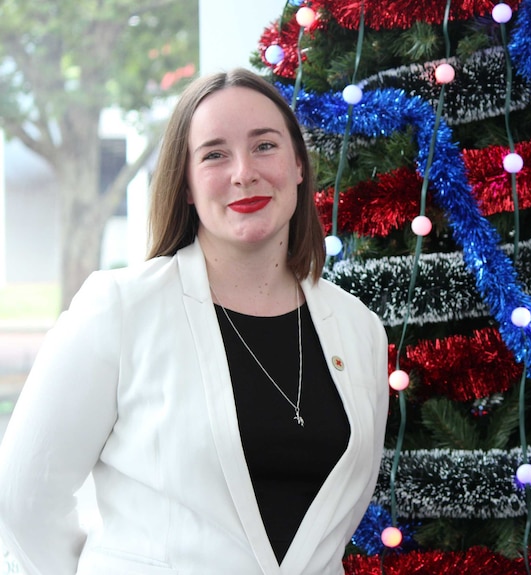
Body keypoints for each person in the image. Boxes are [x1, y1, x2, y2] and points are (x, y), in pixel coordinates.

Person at [0, 68, 390, 574]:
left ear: (298, 164)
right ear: (184, 184)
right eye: (214, 154)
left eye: (265, 146)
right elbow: (22, 498)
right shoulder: (119, 309)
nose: (244, 172)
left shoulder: (359, 328)